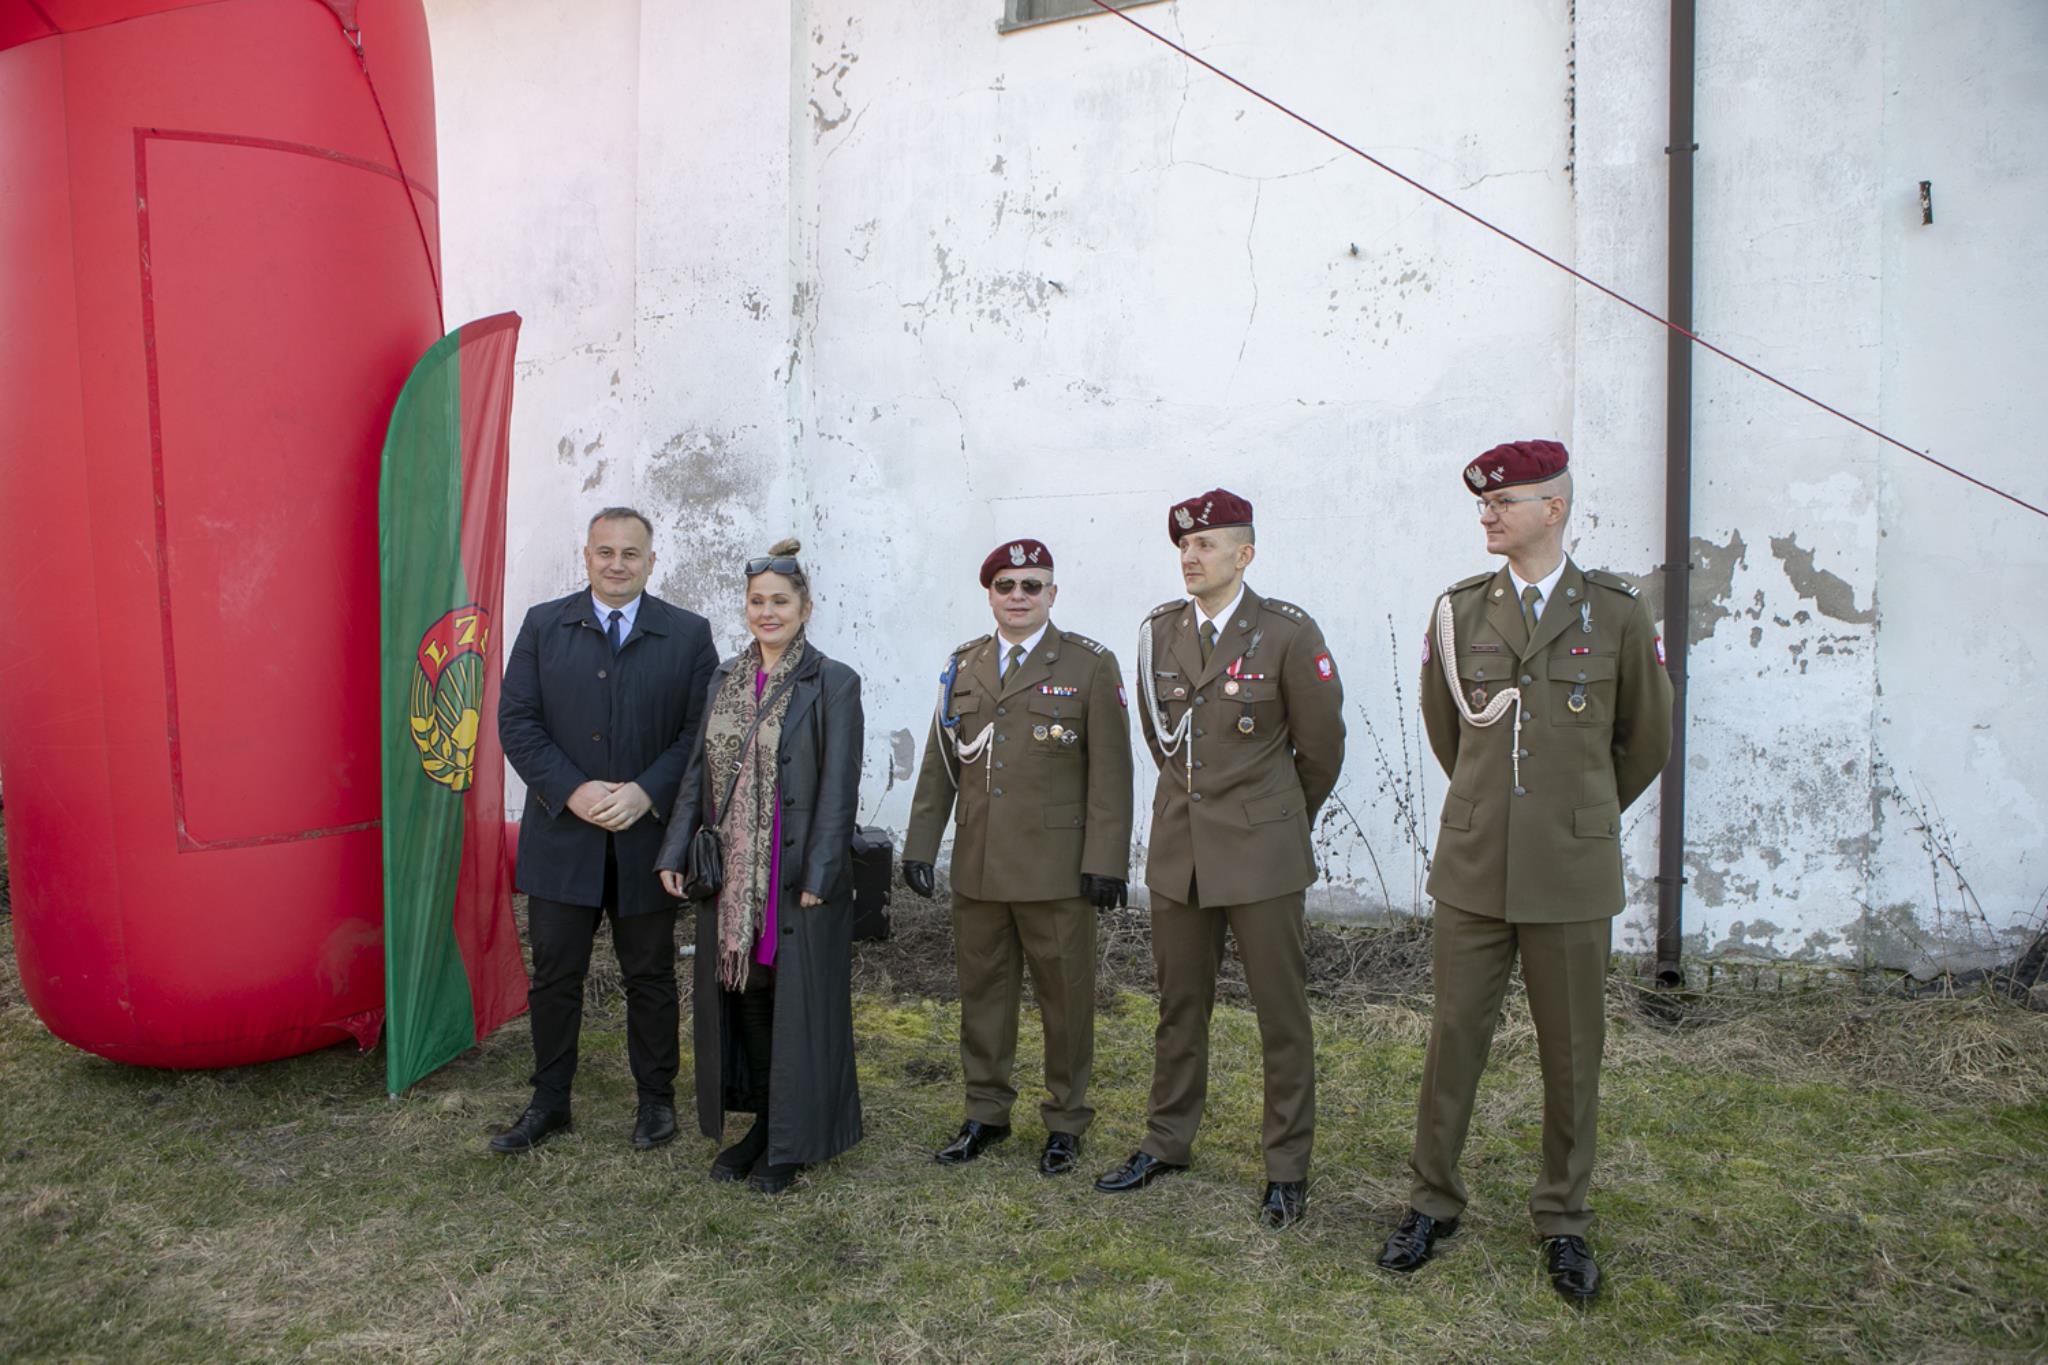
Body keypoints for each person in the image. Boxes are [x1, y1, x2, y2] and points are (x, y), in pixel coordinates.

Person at [1377, 440, 1672, 1305]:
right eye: (1485, 502)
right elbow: (1449, 730)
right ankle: (1431, 1201)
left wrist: (1575, 811)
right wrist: (1496, 807)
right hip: (1475, 864)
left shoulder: (1616, 612)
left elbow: (1646, 738)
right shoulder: (1460, 610)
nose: (1489, 513)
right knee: (1452, 1041)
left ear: (1554, 508)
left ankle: (1563, 1217)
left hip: (1571, 868)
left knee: (1572, 1051)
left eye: (1505, 501)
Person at [1096, 489, 1346, 1228]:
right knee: (1178, 1007)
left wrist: (1274, 816)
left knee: (1280, 1014)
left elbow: (1321, 749)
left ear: (1245, 554)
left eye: (1206, 544)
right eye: (1184, 544)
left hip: (1263, 853)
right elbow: (1163, 738)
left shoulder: (1287, 632)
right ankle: (1166, 1140)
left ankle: (1286, 1167)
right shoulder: (1159, 632)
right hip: (1182, 852)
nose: (1190, 555)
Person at [901, 539, 1134, 1176]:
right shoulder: (964, 665)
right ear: (990, 595)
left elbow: (1111, 772)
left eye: (1032, 585)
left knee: (1066, 1000)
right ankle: (985, 1111)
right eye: (1006, 585)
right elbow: (941, 763)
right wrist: (920, 844)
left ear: (1052, 594)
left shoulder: (1089, 665)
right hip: (979, 867)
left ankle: (1065, 1120)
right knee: (983, 995)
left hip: (1057, 870)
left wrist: (1106, 860)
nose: (1018, 596)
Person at [492, 507, 718, 1154]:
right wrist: (573, 789)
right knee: (555, 975)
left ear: (652, 561)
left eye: (630, 553)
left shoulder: (688, 634)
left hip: (647, 839)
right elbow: (517, 720)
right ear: (587, 556)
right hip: (563, 835)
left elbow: (700, 731)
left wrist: (648, 791)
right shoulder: (543, 625)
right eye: (605, 551)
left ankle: (656, 1101)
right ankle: (549, 1101)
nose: (617, 563)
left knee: (650, 974)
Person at [656, 539, 864, 1194]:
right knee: (743, 988)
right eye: (756, 601)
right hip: (731, 871)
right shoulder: (725, 677)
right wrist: (674, 851)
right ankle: (766, 1124)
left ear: (805, 607)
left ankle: (789, 1136)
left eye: (780, 601)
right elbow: (698, 774)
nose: (767, 612)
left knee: (787, 995)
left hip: (791, 871)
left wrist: (822, 874)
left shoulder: (833, 681)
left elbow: (839, 789)